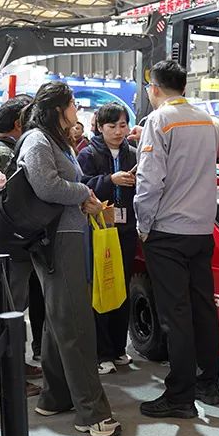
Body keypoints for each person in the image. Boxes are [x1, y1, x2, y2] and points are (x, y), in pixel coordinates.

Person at [16, 81, 121, 436]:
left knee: (60, 317)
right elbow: (46, 185)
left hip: (66, 235)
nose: (77, 109)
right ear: (58, 110)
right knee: (76, 322)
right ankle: (92, 414)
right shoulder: (37, 141)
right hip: (57, 239)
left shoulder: (54, 140)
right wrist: (83, 191)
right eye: (73, 103)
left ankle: (55, 396)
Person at [134, 60, 219, 418]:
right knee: (203, 308)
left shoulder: (159, 121)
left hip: (168, 231)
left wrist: (143, 224)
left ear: (154, 89)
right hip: (202, 230)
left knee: (175, 314)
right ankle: (208, 384)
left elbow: (149, 182)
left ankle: (180, 397)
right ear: (183, 87)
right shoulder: (206, 120)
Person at [0, 95, 44, 397]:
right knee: (5, 309)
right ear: (18, 123)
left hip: (5, 242)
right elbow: (9, 202)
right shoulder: (1, 156)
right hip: (5, 244)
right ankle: (3, 376)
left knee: (11, 306)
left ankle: (16, 365)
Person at [77, 103, 137, 375]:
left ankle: (118, 348)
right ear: (100, 127)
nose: (118, 131)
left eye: (122, 125)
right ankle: (101, 352)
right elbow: (82, 186)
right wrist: (110, 180)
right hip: (98, 230)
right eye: (112, 126)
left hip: (126, 230)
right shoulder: (87, 154)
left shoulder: (133, 153)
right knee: (101, 288)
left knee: (122, 288)